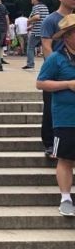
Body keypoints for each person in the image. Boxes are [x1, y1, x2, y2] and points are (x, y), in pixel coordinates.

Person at [37, 15, 75, 217]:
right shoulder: (56, 59)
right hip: (66, 118)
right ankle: (66, 198)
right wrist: (67, 84)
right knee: (66, 159)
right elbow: (41, 83)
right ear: (67, 36)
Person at [40, 0, 75, 157]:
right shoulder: (51, 19)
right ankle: (49, 142)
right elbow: (46, 46)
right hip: (58, 67)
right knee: (50, 108)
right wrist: (54, 66)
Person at [24, 0, 49, 70]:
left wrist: (29, 20)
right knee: (45, 48)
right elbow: (43, 19)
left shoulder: (36, 7)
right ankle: (47, 65)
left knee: (30, 47)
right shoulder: (45, 7)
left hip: (37, 32)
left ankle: (30, 64)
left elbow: (37, 17)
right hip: (46, 31)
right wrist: (32, 26)